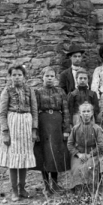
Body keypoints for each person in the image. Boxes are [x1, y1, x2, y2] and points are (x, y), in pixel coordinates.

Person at [0, 65, 38, 201]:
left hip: (26, 126)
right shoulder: (7, 91)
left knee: (24, 158)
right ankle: (14, 190)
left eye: (19, 74)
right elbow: (2, 114)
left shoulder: (29, 90)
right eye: (14, 75)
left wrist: (34, 130)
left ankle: (22, 188)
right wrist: (5, 133)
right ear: (10, 77)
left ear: (24, 76)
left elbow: (34, 111)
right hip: (13, 126)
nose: (17, 77)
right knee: (14, 160)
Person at [33, 67, 71, 196]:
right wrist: (35, 130)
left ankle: (54, 183)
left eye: (52, 76)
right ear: (42, 77)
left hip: (56, 124)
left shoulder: (60, 92)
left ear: (55, 78)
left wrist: (66, 129)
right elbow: (34, 112)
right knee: (44, 153)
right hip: (43, 123)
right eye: (47, 76)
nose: (49, 78)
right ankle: (46, 185)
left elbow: (66, 111)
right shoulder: (37, 92)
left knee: (55, 153)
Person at [67, 102, 102, 193]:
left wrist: (91, 154)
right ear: (80, 113)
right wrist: (79, 154)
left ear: (92, 113)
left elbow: (100, 145)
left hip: (92, 154)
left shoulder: (96, 128)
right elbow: (70, 144)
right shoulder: (75, 128)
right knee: (77, 168)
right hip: (79, 154)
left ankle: (90, 187)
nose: (86, 113)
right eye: (84, 111)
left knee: (90, 166)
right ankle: (79, 188)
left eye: (88, 111)